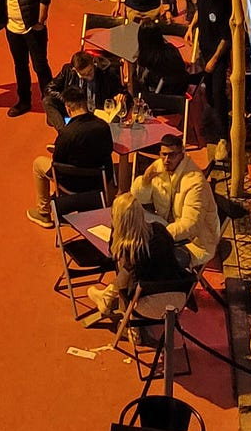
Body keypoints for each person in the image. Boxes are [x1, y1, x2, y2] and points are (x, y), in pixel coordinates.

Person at [86, 191, 196, 316]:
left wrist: (116, 227)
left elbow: (112, 252)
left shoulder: (129, 248)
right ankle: (106, 297)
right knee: (132, 268)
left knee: (125, 267)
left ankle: (122, 315)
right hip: (179, 297)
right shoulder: (159, 229)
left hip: (149, 305)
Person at [28, 87, 116, 228]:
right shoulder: (103, 126)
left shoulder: (66, 134)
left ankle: (43, 212)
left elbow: (57, 164)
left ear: (68, 109)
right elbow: (108, 151)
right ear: (85, 104)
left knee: (38, 163)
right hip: (98, 182)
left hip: (71, 184)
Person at [132, 134, 222, 268]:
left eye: (172, 155)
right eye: (164, 155)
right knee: (129, 220)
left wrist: (157, 237)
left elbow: (190, 226)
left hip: (194, 243)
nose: (167, 160)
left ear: (182, 154)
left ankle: (124, 286)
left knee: (142, 254)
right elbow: (140, 199)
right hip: (168, 227)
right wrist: (145, 181)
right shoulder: (159, 167)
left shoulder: (195, 183)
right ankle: (120, 286)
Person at [186, 0, 232, 164]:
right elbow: (199, 11)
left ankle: (224, 138)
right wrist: (191, 27)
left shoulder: (222, 1)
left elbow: (225, 38)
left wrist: (214, 59)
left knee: (219, 93)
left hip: (217, 56)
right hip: (204, 50)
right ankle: (215, 118)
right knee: (210, 93)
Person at [43, 50, 125, 133]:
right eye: (84, 74)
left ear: (93, 63)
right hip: (77, 109)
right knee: (47, 101)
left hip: (97, 111)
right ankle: (64, 133)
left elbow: (122, 91)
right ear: (75, 70)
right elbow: (49, 89)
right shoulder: (68, 70)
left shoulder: (106, 72)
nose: (89, 76)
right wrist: (68, 99)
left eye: (90, 71)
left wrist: (120, 96)